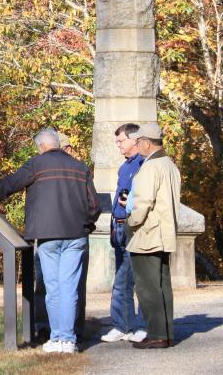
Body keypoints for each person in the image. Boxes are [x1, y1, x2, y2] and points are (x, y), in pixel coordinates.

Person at [0, 127, 100, 354]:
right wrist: (85, 224)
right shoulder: (80, 167)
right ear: (57, 144)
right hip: (76, 235)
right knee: (69, 288)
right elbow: (95, 206)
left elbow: (8, 186)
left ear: (41, 146)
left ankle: (58, 337)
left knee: (52, 288)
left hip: (48, 235)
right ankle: (69, 340)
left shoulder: (37, 165)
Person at [126, 122, 180, 349]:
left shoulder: (150, 167)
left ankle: (156, 334)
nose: (137, 144)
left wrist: (131, 222)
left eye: (138, 141)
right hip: (164, 233)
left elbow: (144, 202)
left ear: (146, 143)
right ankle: (165, 332)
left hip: (148, 234)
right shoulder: (169, 165)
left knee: (147, 286)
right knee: (162, 284)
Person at [101, 124, 148, 343]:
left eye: (121, 140)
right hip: (119, 225)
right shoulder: (125, 166)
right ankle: (123, 326)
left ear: (134, 140)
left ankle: (140, 326)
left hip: (133, 226)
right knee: (122, 279)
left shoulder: (145, 164)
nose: (118, 145)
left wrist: (129, 203)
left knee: (134, 279)